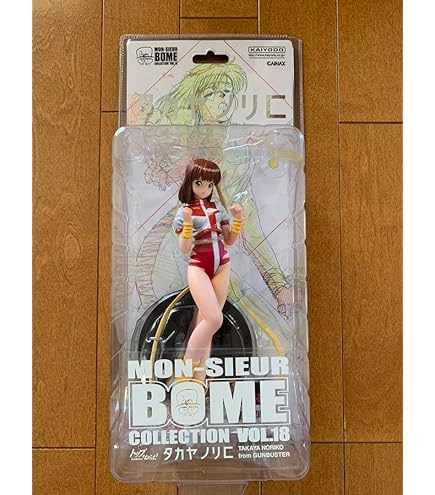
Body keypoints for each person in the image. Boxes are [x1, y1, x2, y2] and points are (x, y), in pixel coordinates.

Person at [172, 158, 243, 383]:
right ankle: (183, 376)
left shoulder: (217, 209)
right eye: (199, 183)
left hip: (222, 264)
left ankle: (198, 382)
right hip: (199, 265)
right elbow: (184, 248)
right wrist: (188, 224)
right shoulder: (185, 212)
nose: (205, 189)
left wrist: (237, 219)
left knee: (206, 326)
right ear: (190, 182)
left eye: (210, 184)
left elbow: (229, 240)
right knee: (214, 320)